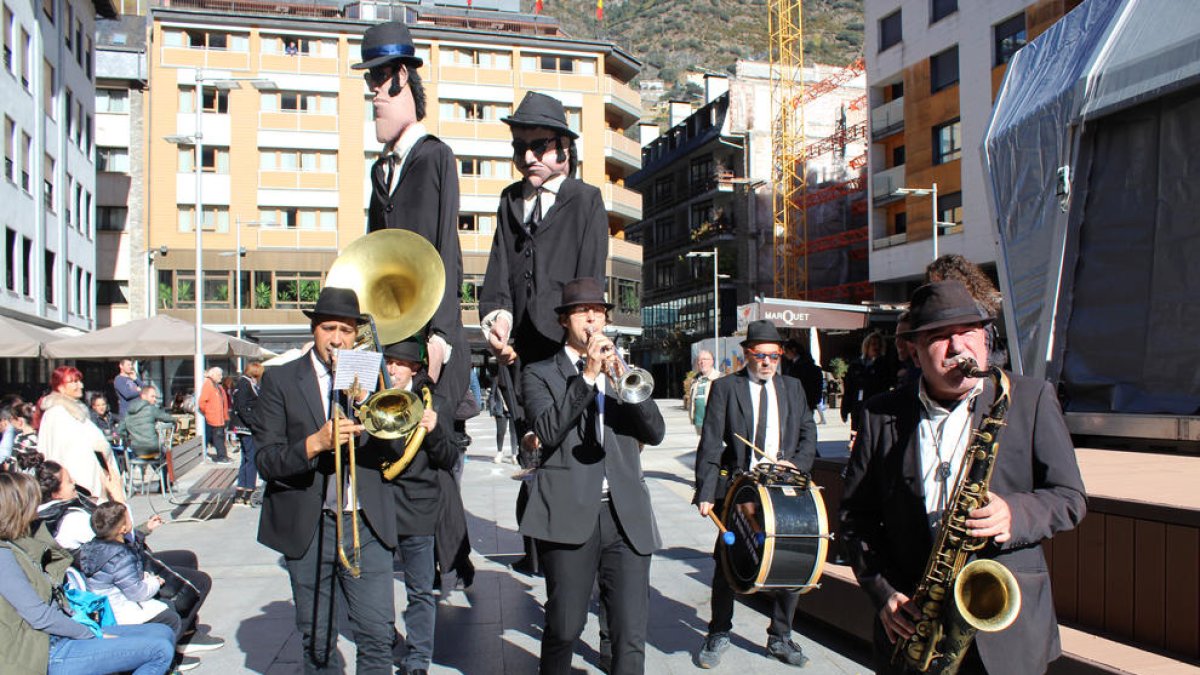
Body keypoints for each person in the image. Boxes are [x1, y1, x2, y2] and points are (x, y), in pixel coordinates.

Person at [839, 280, 1087, 675]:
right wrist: (883, 593)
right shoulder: (878, 413)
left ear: (985, 340)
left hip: (1008, 628)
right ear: (915, 351)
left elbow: (1070, 497)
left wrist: (1014, 513)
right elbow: (855, 519)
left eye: (968, 333)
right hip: (915, 626)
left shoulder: (1030, 398)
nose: (958, 349)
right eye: (940, 338)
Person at [521, 277, 666, 675]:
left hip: (626, 516)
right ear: (565, 320)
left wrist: (625, 381)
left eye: (599, 312)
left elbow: (655, 433)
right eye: (584, 312)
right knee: (566, 626)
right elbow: (547, 432)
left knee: (629, 633)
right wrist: (586, 376)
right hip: (568, 513)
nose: (593, 319)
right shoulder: (539, 373)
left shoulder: (623, 372)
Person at [253, 286, 397, 674]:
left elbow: (395, 453)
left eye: (347, 330)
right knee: (317, 641)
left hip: (365, 523)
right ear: (314, 330)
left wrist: (378, 407)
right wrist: (314, 444)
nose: (337, 339)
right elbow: (265, 460)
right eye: (329, 328)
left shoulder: (369, 376)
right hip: (311, 524)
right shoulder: (280, 380)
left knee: (378, 635)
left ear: (356, 335)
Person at [354, 20, 470, 411]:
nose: (373, 89)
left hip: (426, 338)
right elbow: (370, 259)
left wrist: (441, 335)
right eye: (370, 78)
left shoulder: (435, 155)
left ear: (402, 77)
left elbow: (445, 250)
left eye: (379, 76)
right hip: (389, 334)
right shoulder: (379, 169)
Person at [480, 90, 609, 431]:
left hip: (565, 343)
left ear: (564, 147)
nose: (527, 155)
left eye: (539, 146)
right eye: (518, 147)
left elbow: (591, 276)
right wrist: (499, 321)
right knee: (529, 438)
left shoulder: (586, 199)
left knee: (568, 431)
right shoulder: (509, 199)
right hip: (521, 346)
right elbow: (500, 267)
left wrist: (586, 332)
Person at [692, 319, 818, 669]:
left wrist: (798, 464)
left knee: (791, 558)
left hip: (785, 486)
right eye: (760, 356)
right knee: (728, 562)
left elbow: (809, 433)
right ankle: (718, 631)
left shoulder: (793, 388)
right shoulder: (727, 388)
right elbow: (711, 442)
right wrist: (705, 491)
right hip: (742, 488)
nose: (767, 363)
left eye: (774, 356)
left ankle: (780, 636)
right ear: (746, 354)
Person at [36, 460, 223, 655]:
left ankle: (188, 633)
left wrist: (143, 529)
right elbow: (121, 538)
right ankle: (169, 646)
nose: (74, 483)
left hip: (119, 565)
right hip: (117, 577)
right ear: (56, 493)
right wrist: (118, 496)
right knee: (200, 582)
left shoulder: (58, 511)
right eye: (68, 481)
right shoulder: (71, 520)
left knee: (186, 559)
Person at [0, 472, 177, 675]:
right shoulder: (3, 556)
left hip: (61, 634)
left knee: (163, 632)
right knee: (159, 650)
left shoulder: (22, 540)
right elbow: (39, 616)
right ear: (19, 507)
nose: (39, 507)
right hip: (42, 651)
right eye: (34, 501)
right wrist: (91, 635)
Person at [378, 339, 459, 675]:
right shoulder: (371, 395)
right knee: (376, 586)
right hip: (379, 503)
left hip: (418, 506)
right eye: (389, 362)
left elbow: (449, 457)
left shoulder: (433, 400)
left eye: (399, 363)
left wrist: (435, 428)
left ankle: (418, 657)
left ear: (414, 368)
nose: (392, 368)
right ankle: (382, 640)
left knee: (420, 589)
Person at [38, 366, 125, 503]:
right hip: (77, 490)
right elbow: (55, 455)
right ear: (60, 387)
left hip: (92, 489)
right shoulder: (56, 414)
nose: (81, 385)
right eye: (74, 382)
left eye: (80, 381)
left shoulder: (78, 413)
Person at [841, 332, 892, 433]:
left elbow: (886, 386)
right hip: (858, 408)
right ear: (867, 346)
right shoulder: (855, 365)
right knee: (856, 437)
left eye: (879, 345)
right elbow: (849, 389)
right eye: (873, 344)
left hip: (876, 409)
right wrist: (845, 409)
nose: (876, 347)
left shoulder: (884, 365)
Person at [231, 361, 264, 506]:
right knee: (251, 458)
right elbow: (242, 407)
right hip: (247, 427)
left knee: (245, 457)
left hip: (242, 426)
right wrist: (253, 423)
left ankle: (241, 488)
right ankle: (249, 489)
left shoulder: (243, 383)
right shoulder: (245, 384)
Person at [118, 385, 177, 460]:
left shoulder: (128, 411)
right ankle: (162, 471)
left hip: (136, 450)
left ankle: (150, 469)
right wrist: (175, 420)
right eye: (152, 396)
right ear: (143, 396)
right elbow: (167, 417)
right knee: (166, 455)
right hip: (152, 448)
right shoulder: (151, 409)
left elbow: (120, 430)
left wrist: (129, 437)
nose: (155, 399)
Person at [197, 367, 230, 464]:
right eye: (219, 375)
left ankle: (222, 455)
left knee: (217, 436)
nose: (221, 377)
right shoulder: (209, 384)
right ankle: (221, 456)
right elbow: (202, 402)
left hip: (219, 418)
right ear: (213, 375)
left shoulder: (217, 386)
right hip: (213, 417)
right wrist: (208, 412)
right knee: (217, 437)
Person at [687, 350, 721, 435]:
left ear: (712, 361)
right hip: (699, 422)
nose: (702, 362)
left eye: (705, 359)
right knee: (703, 445)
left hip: (715, 423)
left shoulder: (720, 378)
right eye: (700, 360)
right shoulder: (695, 380)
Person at [488, 373, 517, 464]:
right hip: (501, 409)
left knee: (514, 432)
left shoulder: (514, 378)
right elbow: (492, 394)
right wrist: (492, 410)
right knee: (500, 432)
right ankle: (499, 452)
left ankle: (514, 454)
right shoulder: (497, 378)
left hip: (513, 409)